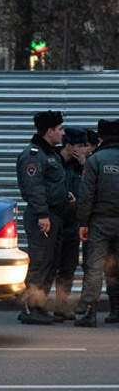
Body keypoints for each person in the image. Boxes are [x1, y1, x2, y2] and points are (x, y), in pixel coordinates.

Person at [15, 110, 68, 325]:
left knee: (51, 262)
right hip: (42, 218)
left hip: (54, 215)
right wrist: (42, 214)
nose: (63, 133)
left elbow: (53, 184)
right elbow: (33, 187)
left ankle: (40, 304)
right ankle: (29, 307)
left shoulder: (51, 154)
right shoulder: (34, 155)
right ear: (49, 131)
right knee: (39, 262)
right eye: (60, 129)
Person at [75, 119, 119, 327]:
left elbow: (86, 195)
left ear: (101, 138)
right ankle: (116, 310)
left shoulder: (96, 160)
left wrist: (83, 222)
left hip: (100, 222)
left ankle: (89, 313)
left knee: (94, 267)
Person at [50, 127, 89, 320]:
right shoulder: (54, 162)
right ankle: (34, 305)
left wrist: (83, 164)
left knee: (68, 266)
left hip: (73, 223)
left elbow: (90, 190)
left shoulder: (81, 166)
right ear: (69, 146)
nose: (84, 149)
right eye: (81, 146)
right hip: (54, 221)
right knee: (49, 265)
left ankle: (61, 306)